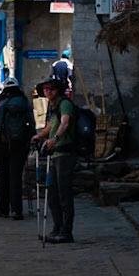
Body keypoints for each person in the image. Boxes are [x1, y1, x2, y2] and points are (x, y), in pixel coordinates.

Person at [39, 76, 79, 244]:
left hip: (65, 153)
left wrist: (55, 138)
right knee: (52, 194)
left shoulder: (65, 104)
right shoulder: (53, 106)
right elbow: (50, 124)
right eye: (46, 89)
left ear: (58, 90)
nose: (48, 91)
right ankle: (57, 228)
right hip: (54, 154)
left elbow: (65, 123)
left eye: (52, 89)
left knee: (64, 194)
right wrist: (39, 136)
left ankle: (66, 231)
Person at [0, 74, 34, 220]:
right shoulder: (24, 102)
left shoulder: (1, 102)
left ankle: (4, 209)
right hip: (20, 143)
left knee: (4, 175)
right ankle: (17, 210)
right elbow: (31, 123)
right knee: (16, 175)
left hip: (2, 142)